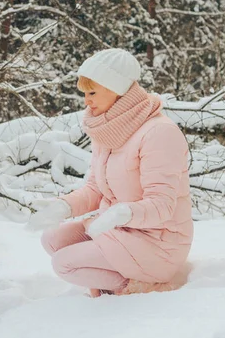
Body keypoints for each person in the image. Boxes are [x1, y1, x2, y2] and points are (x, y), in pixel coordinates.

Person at [38, 48, 193, 296]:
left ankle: (137, 286)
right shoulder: (110, 129)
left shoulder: (159, 132)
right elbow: (95, 188)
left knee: (64, 263)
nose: (86, 101)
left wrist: (122, 213)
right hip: (117, 228)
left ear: (117, 89)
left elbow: (162, 206)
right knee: (52, 240)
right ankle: (113, 270)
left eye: (92, 93)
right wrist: (63, 206)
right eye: (84, 94)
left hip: (158, 242)